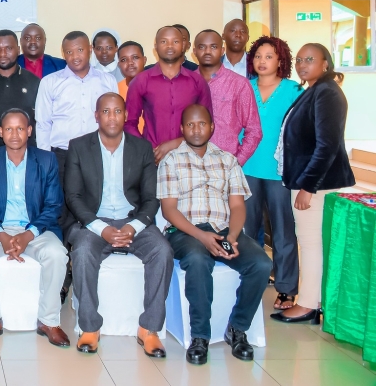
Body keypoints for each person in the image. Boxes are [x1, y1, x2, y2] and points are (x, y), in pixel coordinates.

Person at [158, 104, 271, 364]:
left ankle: (237, 328)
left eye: (202, 124)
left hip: (224, 230)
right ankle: (200, 336)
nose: (196, 129)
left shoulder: (228, 160)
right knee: (198, 260)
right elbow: (169, 210)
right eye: (190, 125)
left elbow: (237, 206)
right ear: (182, 129)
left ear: (212, 127)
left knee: (261, 263)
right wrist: (202, 236)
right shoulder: (171, 161)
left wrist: (232, 236)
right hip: (185, 231)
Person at [64, 94, 172, 356]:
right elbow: (73, 196)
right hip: (94, 222)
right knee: (82, 252)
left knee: (163, 251)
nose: (111, 117)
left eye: (117, 111)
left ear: (126, 115)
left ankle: (149, 329)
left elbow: (151, 198)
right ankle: (90, 327)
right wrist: (102, 228)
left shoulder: (142, 148)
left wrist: (133, 227)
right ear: (96, 116)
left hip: (132, 221)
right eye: (105, 111)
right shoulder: (79, 146)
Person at [0, 109, 69, 347]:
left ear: (29, 131)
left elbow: (53, 206)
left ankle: (49, 321)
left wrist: (28, 235)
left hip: (37, 229)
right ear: (0, 132)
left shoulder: (46, 160)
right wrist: (1, 235)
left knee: (56, 254)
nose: (14, 134)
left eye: (20, 128)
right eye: (9, 129)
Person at [273, 43, 355, 324]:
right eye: (299, 59)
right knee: (311, 242)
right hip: (308, 180)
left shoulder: (327, 93)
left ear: (325, 63)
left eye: (310, 59)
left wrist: (308, 187)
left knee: (310, 243)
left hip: (316, 184)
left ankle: (308, 304)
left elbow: (327, 146)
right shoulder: (315, 90)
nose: (302, 64)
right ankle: (314, 300)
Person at [242, 36, 301, 312]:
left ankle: (286, 288)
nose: (262, 61)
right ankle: (253, 277)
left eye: (269, 56)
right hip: (247, 168)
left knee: (283, 230)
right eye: (258, 56)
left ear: (280, 60)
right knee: (248, 229)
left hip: (280, 172)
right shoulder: (246, 87)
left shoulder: (293, 90)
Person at [35, 31, 118, 179]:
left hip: (98, 154)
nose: (75, 57)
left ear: (90, 49)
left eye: (80, 50)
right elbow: (43, 123)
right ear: (63, 54)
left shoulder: (107, 81)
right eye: (69, 52)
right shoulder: (49, 82)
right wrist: (45, 159)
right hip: (61, 156)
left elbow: (114, 119)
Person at [126, 26, 213, 163]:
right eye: (164, 41)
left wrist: (176, 143)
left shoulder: (198, 82)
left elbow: (208, 125)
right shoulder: (141, 81)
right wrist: (146, 149)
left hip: (190, 159)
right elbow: (129, 123)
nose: (170, 46)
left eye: (175, 41)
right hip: (153, 159)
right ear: (156, 46)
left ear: (183, 45)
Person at [193, 30, 262, 164]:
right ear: (194, 51)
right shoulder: (186, 83)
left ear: (222, 50)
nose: (207, 51)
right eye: (202, 47)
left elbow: (254, 130)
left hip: (225, 164)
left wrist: (237, 162)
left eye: (213, 47)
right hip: (189, 164)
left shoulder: (239, 84)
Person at [0, 30, 41, 153]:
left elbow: (42, 125)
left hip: (28, 157)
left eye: (9, 48)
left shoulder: (34, 82)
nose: (3, 53)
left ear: (18, 50)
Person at [116, 40, 147, 133]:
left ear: (144, 60)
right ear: (119, 65)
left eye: (135, 57)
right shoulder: (115, 90)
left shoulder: (157, 86)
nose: (130, 63)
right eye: (124, 60)